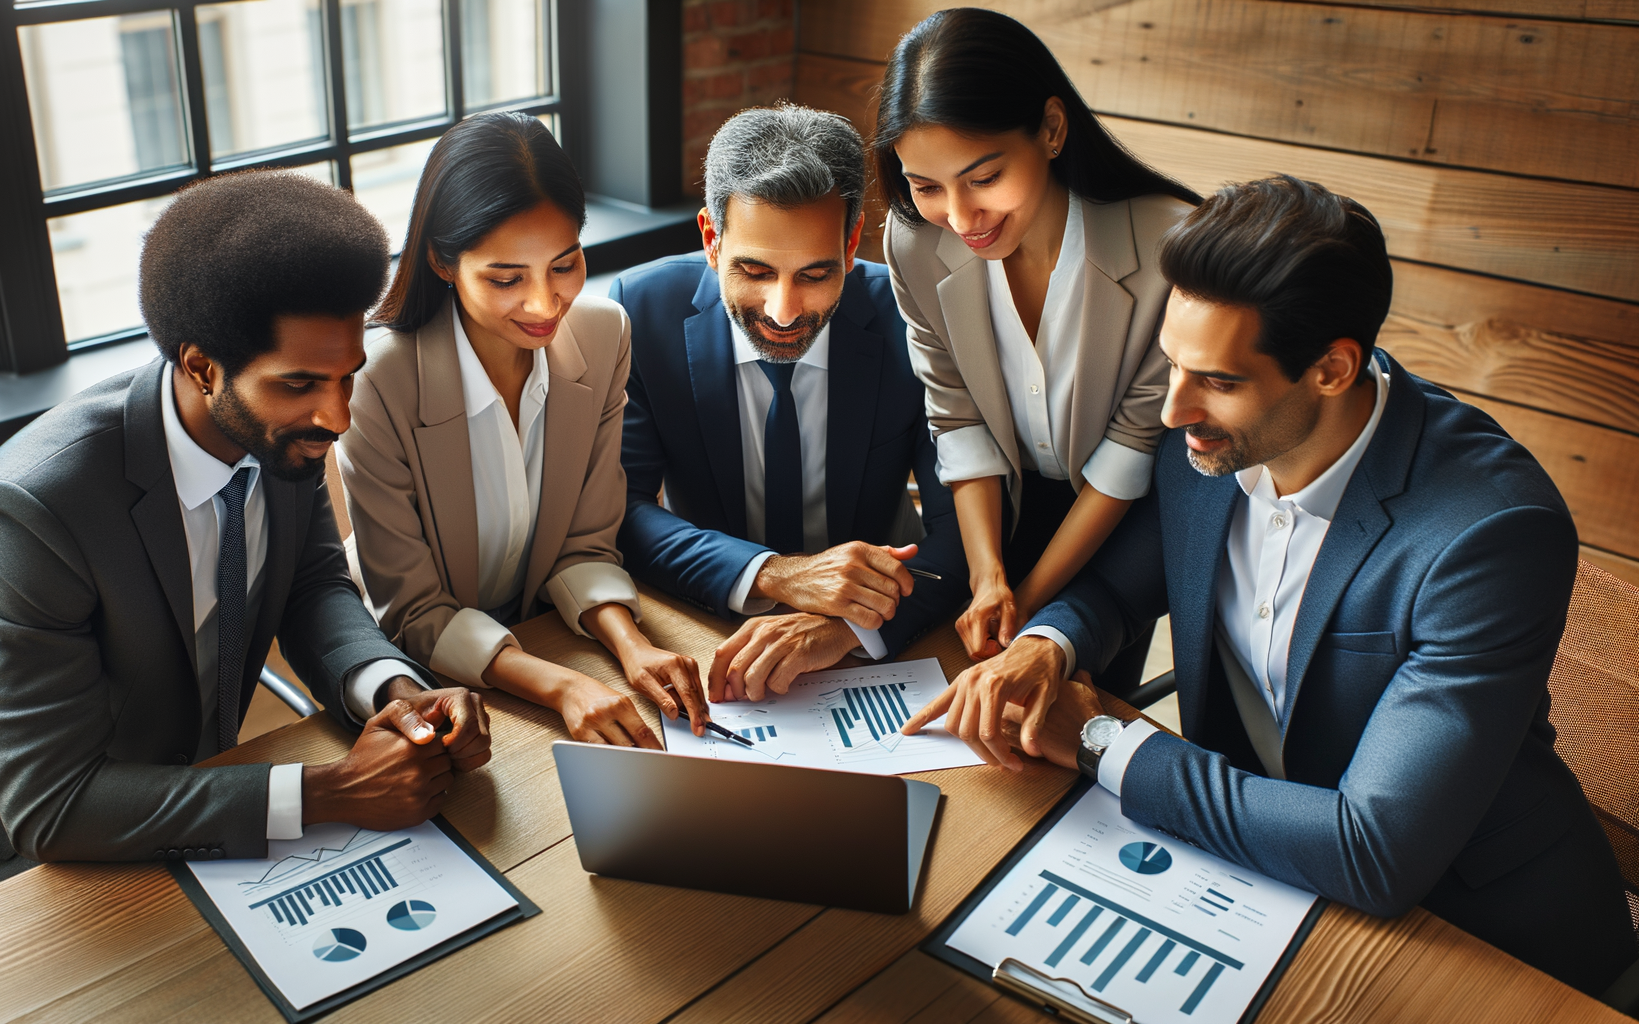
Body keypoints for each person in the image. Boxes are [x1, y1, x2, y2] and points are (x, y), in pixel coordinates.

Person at [906, 175, 1639, 993]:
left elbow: (1372, 847)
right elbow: (1117, 590)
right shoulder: (1210, 440)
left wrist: (1101, 740)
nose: (1172, 409)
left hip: (1477, 940)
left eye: (1217, 381)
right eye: (1172, 364)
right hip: (1256, 883)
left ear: (1332, 369)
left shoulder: (1491, 535)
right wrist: (1047, 646)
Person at [0, 172, 492, 934]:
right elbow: (51, 804)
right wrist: (329, 792)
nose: (338, 415)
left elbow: (313, 585)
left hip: (189, 813)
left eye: (347, 376)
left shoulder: (281, 437)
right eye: (300, 384)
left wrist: (394, 693)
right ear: (200, 367)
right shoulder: (31, 509)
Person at [340, 113, 706, 748]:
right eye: (506, 278)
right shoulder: (378, 380)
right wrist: (563, 687)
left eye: (564, 265)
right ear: (442, 262)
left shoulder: (603, 335)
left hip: (545, 628)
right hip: (420, 670)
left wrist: (633, 645)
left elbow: (585, 542)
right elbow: (415, 611)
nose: (544, 304)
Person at [876, 8, 1201, 693]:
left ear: (1052, 129)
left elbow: (1131, 447)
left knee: (1081, 703)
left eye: (983, 177)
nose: (959, 218)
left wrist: (1026, 599)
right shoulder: (913, 242)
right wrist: (988, 576)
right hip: (995, 502)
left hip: (1120, 519)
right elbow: (956, 414)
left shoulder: (1172, 248)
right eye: (926, 186)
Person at [613, 103, 970, 704]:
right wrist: (776, 574)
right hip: (701, 612)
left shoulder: (912, 318)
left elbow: (964, 533)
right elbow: (622, 511)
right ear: (711, 239)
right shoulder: (641, 309)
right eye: (754, 271)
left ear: (851, 244)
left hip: (879, 624)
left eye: (815, 274)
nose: (783, 312)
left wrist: (848, 627)